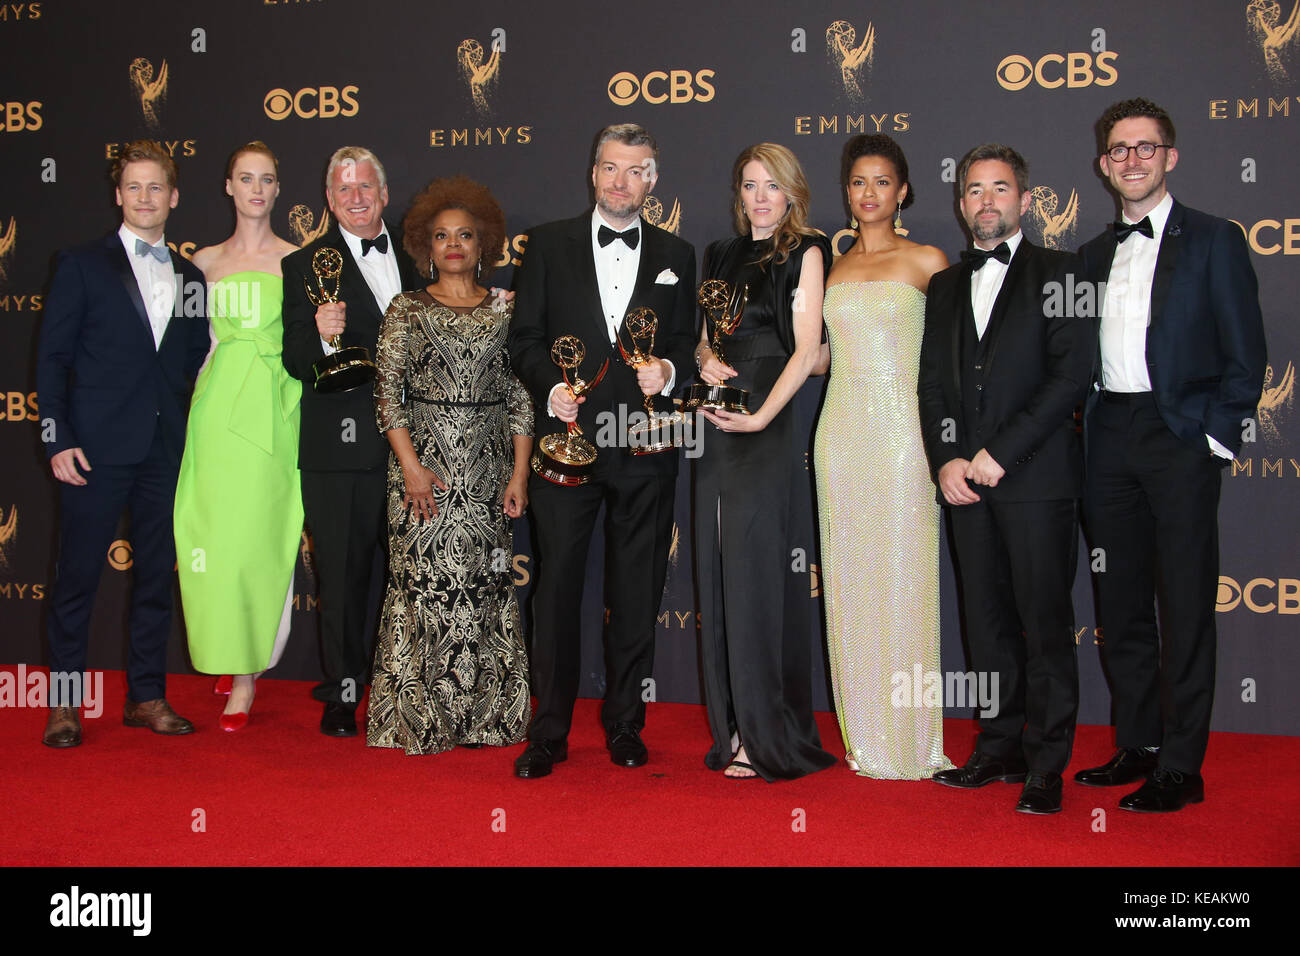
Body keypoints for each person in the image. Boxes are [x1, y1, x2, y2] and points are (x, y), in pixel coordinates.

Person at [1074, 99, 1266, 812]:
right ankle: (1140, 743)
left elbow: (1246, 352)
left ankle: (1182, 766)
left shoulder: (1215, 239)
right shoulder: (1091, 256)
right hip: (1109, 435)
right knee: (1120, 601)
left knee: (1183, 603)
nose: (1132, 160)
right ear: (1104, 165)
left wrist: (1216, 436)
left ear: (1170, 157)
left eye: (1145, 147)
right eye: (1119, 150)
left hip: (1179, 434)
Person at [509, 123, 696, 778]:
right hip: (567, 444)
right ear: (593, 173)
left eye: (636, 170)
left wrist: (667, 372)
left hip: (646, 444)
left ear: (653, 180)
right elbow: (524, 339)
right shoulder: (546, 244)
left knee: (637, 592)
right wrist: (549, 389)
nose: (622, 182)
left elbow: (686, 342)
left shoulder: (678, 253)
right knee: (556, 589)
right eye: (611, 168)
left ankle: (625, 725)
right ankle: (548, 733)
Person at [918, 144, 1095, 814]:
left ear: (1024, 198)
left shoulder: (1066, 271)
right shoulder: (943, 285)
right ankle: (998, 747)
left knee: (1043, 623)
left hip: (1036, 481)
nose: (985, 201)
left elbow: (1070, 377)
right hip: (964, 483)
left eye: (999, 188)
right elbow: (932, 385)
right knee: (985, 621)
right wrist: (947, 458)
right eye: (973, 190)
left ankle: (1046, 763)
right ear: (960, 202)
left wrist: (1000, 453)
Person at [37, 139, 209, 746]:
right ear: (118, 195)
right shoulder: (81, 264)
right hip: (93, 450)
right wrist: (57, 438)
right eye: (133, 187)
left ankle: (146, 696)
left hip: (164, 450)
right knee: (77, 579)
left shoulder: (191, 277)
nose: (144, 197)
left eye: (155, 187)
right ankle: (64, 704)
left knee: (156, 577)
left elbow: (190, 360)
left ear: (174, 197)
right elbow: (52, 359)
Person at [369, 176, 533, 754]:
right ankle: (421, 720)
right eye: (442, 236)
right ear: (426, 247)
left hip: (489, 474)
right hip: (424, 474)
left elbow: (519, 397)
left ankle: (488, 718)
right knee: (422, 588)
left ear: (483, 243)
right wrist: (411, 468)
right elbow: (388, 395)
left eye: (465, 235)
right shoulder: (407, 309)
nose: (454, 245)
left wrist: (519, 473)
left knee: (487, 587)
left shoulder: (505, 311)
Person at [692, 143, 835, 781]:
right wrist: (703, 361)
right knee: (719, 569)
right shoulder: (720, 253)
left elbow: (807, 351)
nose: (759, 197)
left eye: (772, 185)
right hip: (718, 419)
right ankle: (732, 726)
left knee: (756, 576)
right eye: (750, 185)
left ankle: (767, 733)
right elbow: (705, 336)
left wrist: (761, 418)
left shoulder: (807, 251)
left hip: (766, 419)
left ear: (792, 192)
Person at [814, 134, 953, 779]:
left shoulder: (928, 261)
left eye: (882, 182)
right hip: (840, 436)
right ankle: (866, 734)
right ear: (847, 192)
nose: (868, 193)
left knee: (905, 582)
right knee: (850, 584)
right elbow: (818, 359)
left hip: (904, 439)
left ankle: (912, 738)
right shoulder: (831, 267)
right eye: (858, 182)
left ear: (903, 191)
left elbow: (951, 358)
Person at [282, 147, 421, 737]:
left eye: (366, 187)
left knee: (416, 574)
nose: (356, 198)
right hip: (340, 454)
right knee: (341, 579)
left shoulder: (419, 255)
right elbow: (294, 360)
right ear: (329, 200)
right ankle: (343, 694)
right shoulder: (303, 265)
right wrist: (319, 335)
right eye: (344, 190)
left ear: (384, 194)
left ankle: (414, 691)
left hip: (419, 448)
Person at [174, 141, 303, 732]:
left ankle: (249, 672)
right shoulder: (201, 262)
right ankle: (226, 652)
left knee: (260, 536)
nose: (256, 189)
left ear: (278, 189)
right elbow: (188, 346)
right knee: (215, 536)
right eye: (246, 178)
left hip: (274, 406)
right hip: (216, 406)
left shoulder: (298, 260)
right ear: (228, 186)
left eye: (266, 179)